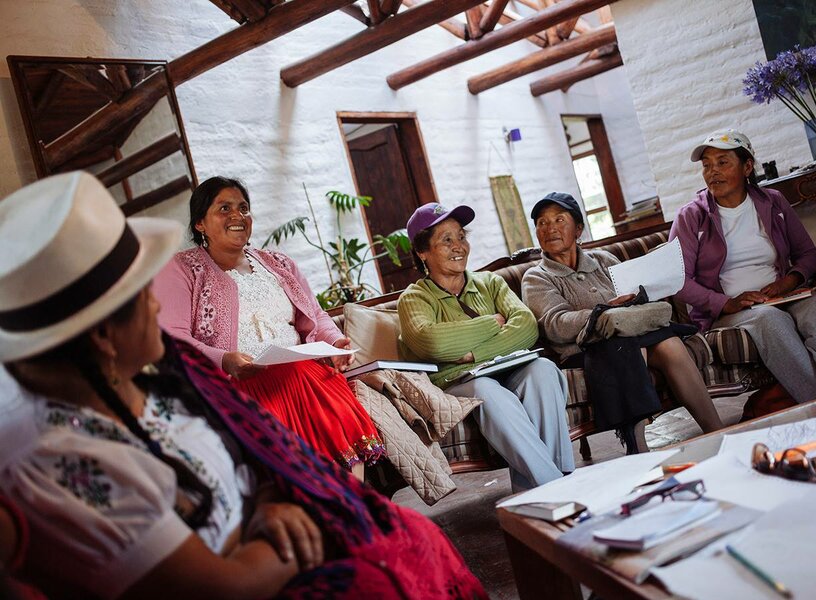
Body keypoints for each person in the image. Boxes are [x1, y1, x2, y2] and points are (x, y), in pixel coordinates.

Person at [0, 172, 486, 599]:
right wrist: (311, 514)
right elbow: (224, 586)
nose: (155, 307)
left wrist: (271, 503)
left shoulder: (165, 391)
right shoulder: (78, 467)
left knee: (411, 538)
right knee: (400, 558)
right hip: (266, 544)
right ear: (104, 336)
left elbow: (250, 459)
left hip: (277, 489)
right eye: (140, 295)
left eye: (243, 207)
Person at [154, 176, 383, 477]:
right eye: (224, 208)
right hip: (237, 386)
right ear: (200, 223)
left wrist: (336, 342)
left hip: (302, 372)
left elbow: (315, 314)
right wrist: (225, 360)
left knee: (325, 396)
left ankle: (357, 508)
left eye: (243, 208)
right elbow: (173, 339)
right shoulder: (180, 269)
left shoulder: (278, 264)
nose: (238, 216)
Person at [670, 129, 816, 402]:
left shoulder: (773, 201)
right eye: (706, 166)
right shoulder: (691, 217)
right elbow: (677, 280)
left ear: (747, 166)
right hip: (733, 310)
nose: (712, 172)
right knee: (770, 320)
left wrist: (788, 282)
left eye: (722, 162)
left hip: (782, 295)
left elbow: (807, 253)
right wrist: (726, 303)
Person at [522, 193, 723, 454]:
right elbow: (555, 324)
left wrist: (635, 298)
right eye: (541, 223)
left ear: (579, 228)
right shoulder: (536, 277)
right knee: (628, 348)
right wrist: (602, 314)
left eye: (559, 220)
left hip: (631, 332)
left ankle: (716, 429)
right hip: (585, 349)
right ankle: (637, 447)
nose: (549, 229)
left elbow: (635, 300)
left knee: (670, 343)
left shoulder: (605, 260)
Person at [397, 203, 575, 491]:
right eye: (446, 240)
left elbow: (527, 326)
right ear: (422, 252)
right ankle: (558, 485)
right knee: (487, 391)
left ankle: (534, 491)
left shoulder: (490, 282)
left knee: (542, 370)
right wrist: (493, 323)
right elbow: (432, 342)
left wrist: (473, 354)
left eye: (461, 236)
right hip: (457, 382)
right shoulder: (414, 298)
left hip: (508, 367)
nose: (459, 247)